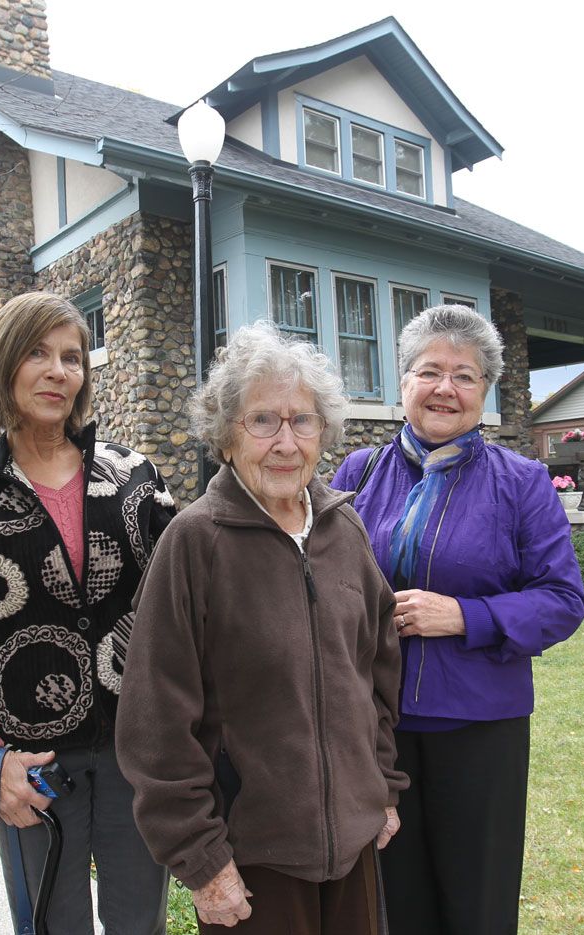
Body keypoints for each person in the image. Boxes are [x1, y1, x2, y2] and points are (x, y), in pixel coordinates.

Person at [115, 321, 408, 935]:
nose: (285, 441)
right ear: (226, 437)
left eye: (302, 421)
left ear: (322, 434)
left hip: (353, 845)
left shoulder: (343, 531)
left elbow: (377, 670)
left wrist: (381, 784)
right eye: (262, 421)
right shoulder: (194, 543)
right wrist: (201, 859)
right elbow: (155, 721)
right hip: (250, 859)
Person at [0, 292, 176, 935]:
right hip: (30, 765)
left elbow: (179, 608)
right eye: (38, 353)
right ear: (3, 365)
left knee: (139, 923)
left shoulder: (134, 476)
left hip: (134, 753)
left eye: (72, 357)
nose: (59, 371)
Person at [331, 303, 584, 935]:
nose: (446, 388)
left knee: (477, 901)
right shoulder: (358, 476)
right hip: (376, 727)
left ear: (485, 392)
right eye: (430, 371)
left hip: (480, 727)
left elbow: (562, 600)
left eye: (466, 375)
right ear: (403, 382)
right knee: (395, 901)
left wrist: (466, 617)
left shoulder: (523, 483)